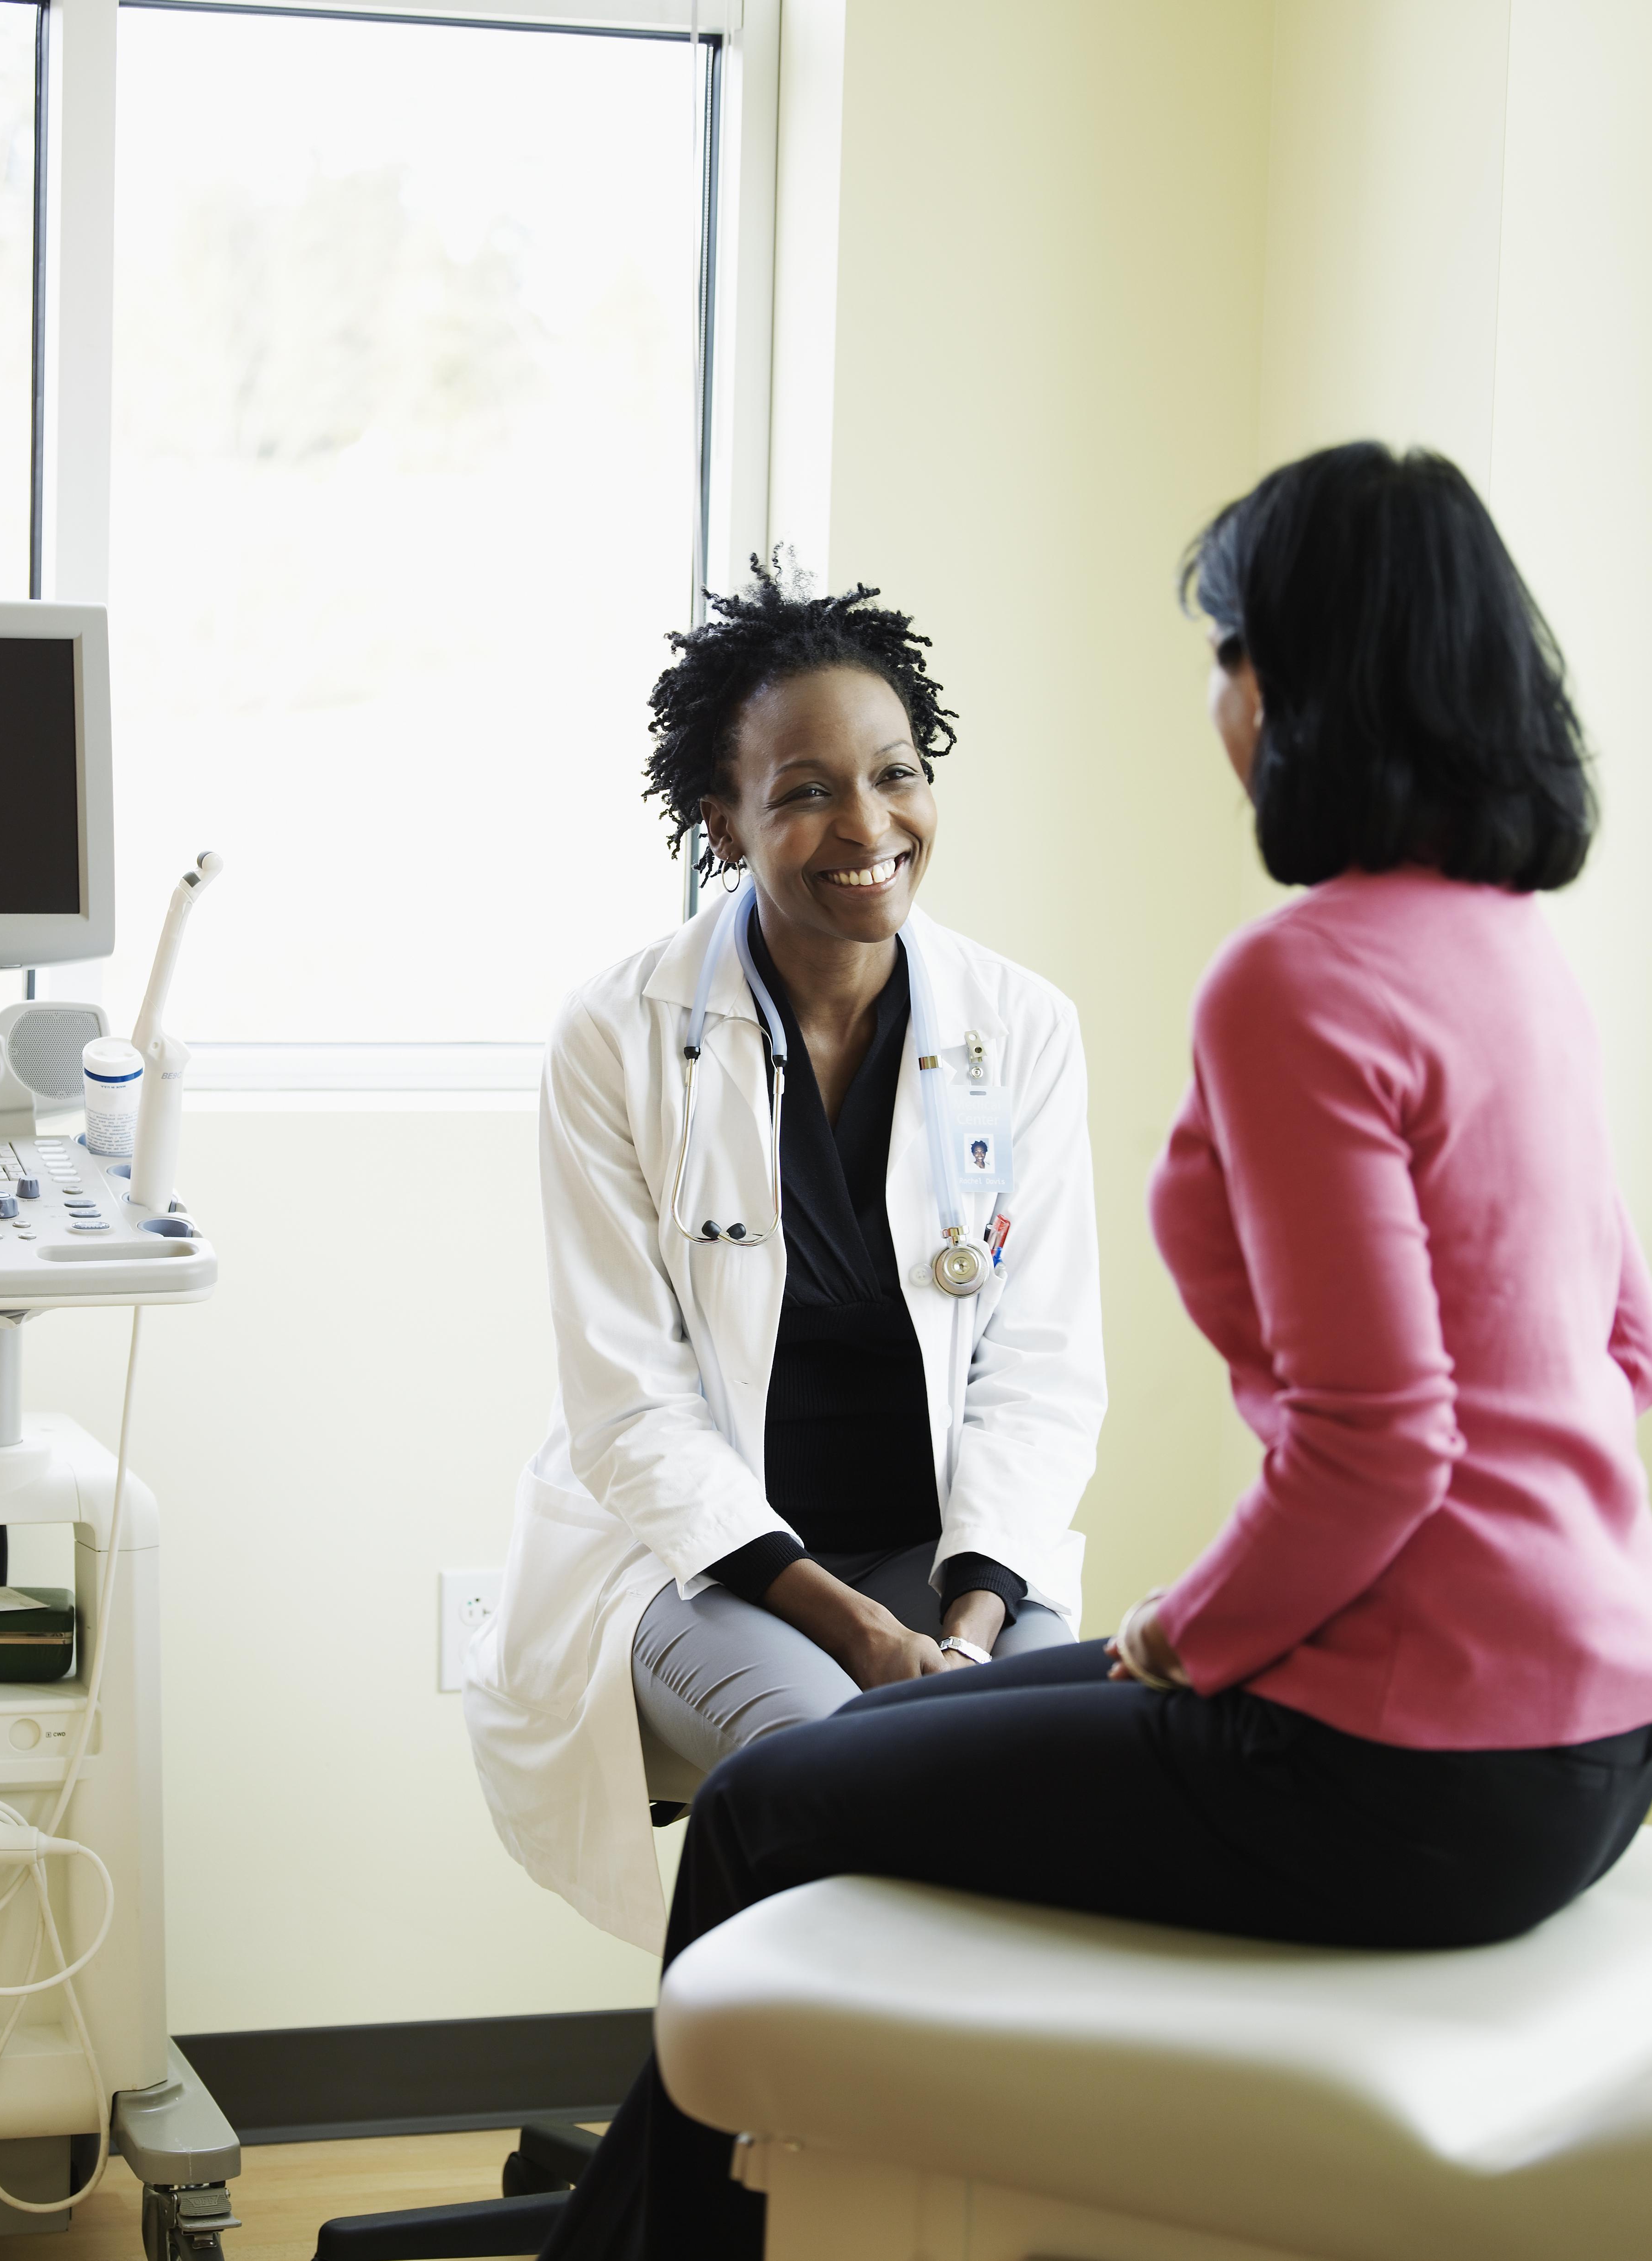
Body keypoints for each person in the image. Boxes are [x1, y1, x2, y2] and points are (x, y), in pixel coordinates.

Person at [536, 443, 1652, 2261]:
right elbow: (1615, 1348)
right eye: (806, 790)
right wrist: (1451, 1604)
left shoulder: (1292, 979)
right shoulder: (1517, 956)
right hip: (1602, 1741)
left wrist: (1194, 1633)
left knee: (763, 1811)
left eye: (1229, 653)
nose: (1217, 697)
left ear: (1294, 688)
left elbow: (1376, 1450)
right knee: (826, 1767)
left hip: (1393, 1767)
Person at [465, 558, 1105, 1950]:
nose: (867, 825)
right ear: (723, 819)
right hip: (700, 1564)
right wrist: (866, 1643)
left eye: (897, 773)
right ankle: (744, 2149)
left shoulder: (1020, 1027)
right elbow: (630, 1409)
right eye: (806, 790)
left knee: (1054, 1780)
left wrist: (967, 1629)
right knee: (827, 1769)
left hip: (956, 1561)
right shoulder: (617, 1035)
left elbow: (1043, 1372)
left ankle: (960, 2152)